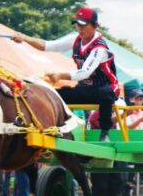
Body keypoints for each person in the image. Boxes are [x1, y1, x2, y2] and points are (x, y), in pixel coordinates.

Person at [12, 7, 119, 142]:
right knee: (57, 94)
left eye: (83, 25)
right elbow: (48, 45)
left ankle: (104, 134)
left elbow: (85, 73)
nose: (80, 28)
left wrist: (60, 76)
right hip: (86, 89)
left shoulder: (100, 48)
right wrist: (25, 38)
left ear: (95, 26)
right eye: (78, 25)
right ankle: (58, 128)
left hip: (105, 88)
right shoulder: (75, 39)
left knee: (106, 94)